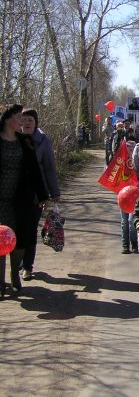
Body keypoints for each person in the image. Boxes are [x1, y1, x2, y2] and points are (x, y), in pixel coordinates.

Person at [0, 104, 48, 295]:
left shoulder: (24, 141)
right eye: (18, 117)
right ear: (7, 119)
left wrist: (43, 195)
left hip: (20, 199)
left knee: (20, 238)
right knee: (1, 239)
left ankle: (14, 274)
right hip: (0, 199)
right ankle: (0, 283)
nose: (22, 120)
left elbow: (36, 171)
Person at [19, 109, 61, 281]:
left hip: (35, 194)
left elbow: (50, 169)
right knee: (14, 231)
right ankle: (18, 263)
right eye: (24, 119)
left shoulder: (43, 142)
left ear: (35, 122)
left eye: (30, 119)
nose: (27, 122)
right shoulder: (11, 139)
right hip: (13, 194)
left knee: (29, 231)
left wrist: (54, 192)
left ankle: (27, 267)